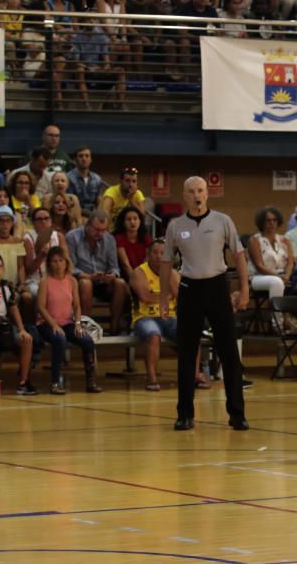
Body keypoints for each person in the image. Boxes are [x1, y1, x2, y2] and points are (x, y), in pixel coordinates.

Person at [162, 176, 249, 431]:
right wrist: (164, 298)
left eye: (200, 190)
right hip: (189, 288)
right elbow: (166, 262)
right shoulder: (175, 226)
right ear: (185, 195)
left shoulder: (223, 221)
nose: (196, 195)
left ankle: (237, 414)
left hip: (217, 287)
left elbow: (239, 255)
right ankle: (185, 414)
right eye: (191, 191)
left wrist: (244, 289)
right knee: (187, 353)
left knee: (229, 352)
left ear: (207, 194)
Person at [37, 246, 101, 395]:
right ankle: (55, 381)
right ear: (49, 263)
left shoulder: (72, 281)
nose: (58, 264)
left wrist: (78, 324)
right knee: (60, 339)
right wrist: (53, 324)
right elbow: (41, 307)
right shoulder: (45, 281)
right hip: (47, 323)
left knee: (86, 340)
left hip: (67, 322)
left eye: (60, 261)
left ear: (66, 262)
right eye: (54, 261)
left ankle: (91, 381)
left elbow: (77, 306)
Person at [0, 252, 37, 395]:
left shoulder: (7, 286)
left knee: (26, 340)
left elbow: (13, 308)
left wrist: (22, 329)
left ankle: (23, 382)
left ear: (3, 268)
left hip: (3, 322)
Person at [132, 239, 177, 391]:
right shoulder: (139, 272)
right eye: (155, 253)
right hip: (145, 317)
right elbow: (145, 297)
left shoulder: (172, 272)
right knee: (153, 334)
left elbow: (179, 295)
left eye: (163, 253)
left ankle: (195, 376)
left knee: (190, 332)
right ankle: (152, 378)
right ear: (148, 255)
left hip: (170, 316)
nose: (159, 256)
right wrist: (167, 296)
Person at [246, 205, 295, 329]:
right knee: (277, 282)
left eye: (274, 220)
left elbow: (290, 262)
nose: (271, 223)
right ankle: (277, 325)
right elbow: (259, 265)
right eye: (268, 220)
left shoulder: (285, 240)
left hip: (283, 275)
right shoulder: (254, 240)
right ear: (261, 222)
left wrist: (287, 276)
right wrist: (280, 277)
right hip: (259, 277)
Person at [100, 166, 146, 232]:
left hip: (129, 231)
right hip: (113, 231)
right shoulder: (111, 192)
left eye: (134, 181)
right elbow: (104, 214)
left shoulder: (138, 194)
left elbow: (142, 216)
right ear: (121, 181)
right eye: (127, 181)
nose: (131, 184)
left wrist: (131, 200)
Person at [114, 206, 151, 280]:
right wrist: (135, 279)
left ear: (140, 221)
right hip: (126, 275)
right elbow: (125, 264)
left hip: (144, 274)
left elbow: (147, 261)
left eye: (135, 219)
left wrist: (142, 276)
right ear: (123, 222)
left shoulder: (146, 238)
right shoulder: (119, 238)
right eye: (128, 219)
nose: (132, 222)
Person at [67, 147, 105, 215]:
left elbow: (99, 201)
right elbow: (69, 203)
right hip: (75, 214)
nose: (84, 159)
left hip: (93, 216)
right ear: (75, 160)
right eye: (81, 156)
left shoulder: (97, 178)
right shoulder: (68, 178)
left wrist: (98, 215)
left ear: (91, 160)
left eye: (87, 156)